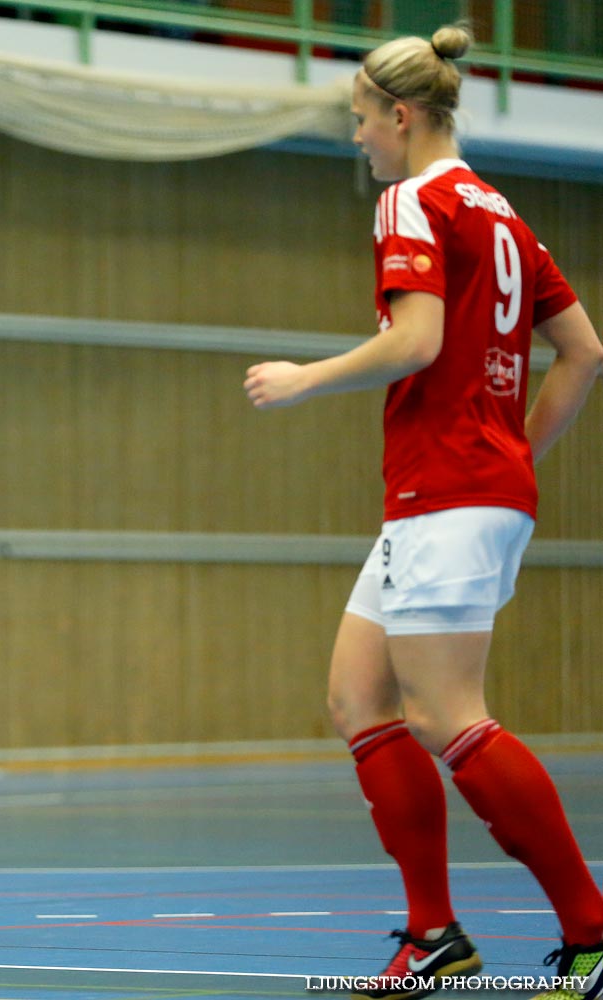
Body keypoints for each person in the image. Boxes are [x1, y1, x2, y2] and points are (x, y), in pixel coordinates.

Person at [243, 23, 603, 1000]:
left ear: (401, 117)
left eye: (362, 123)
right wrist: (517, 446)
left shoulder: (414, 198)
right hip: (465, 489)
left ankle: (593, 932)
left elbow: (416, 339)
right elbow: (584, 350)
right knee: (360, 701)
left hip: (448, 490)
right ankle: (435, 933)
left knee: (449, 714)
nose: (359, 141)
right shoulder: (504, 214)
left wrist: (304, 378)